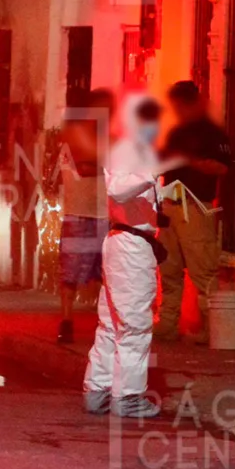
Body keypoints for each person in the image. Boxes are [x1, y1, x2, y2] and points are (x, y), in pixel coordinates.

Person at [83, 93, 183, 418]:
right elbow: (117, 189)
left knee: (112, 323)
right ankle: (127, 397)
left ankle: (97, 390)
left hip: (125, 242)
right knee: (135, 325)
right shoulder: (129, 154)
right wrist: (150, 177)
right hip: (130, 247)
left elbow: (131, 196)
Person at [156, 81, 231, 343]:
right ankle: (167, 324)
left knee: (203, 269)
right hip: (171, 204)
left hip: (197, 206)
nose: (177, 112)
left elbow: (222, 168)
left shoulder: (213, 134)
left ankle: (212, 329)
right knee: (169, 268)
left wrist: (191, 161)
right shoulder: (176, 133)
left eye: (180, 107)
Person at [57, 88, 115, 344]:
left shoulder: (108, 139)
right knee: (71, 271)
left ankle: (102, 323)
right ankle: (66, 320)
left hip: (105, 214)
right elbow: (84, 167)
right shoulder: (75, 136)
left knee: (105, 273)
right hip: (79, 214)